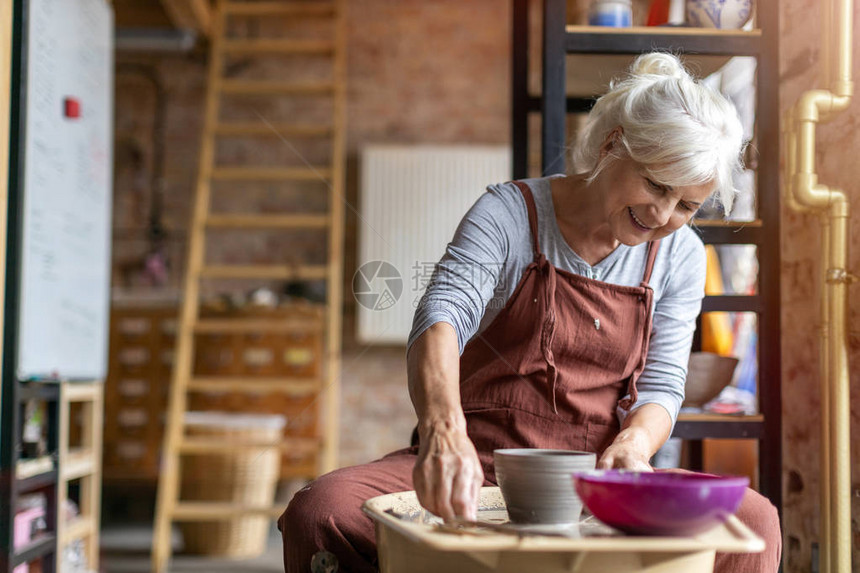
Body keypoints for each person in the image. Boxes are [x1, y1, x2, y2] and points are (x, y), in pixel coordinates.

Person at [279, 52, 781, 573]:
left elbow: (662, 385)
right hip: (477, 463)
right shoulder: (508, 213)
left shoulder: (681, 256)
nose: (662, 215)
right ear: (613, 145)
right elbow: (441, 314)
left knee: (754, 523)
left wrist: (634, 445)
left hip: (597, 482)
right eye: (656, 185)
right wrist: (443, 433)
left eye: (687, 205)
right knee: (321, 512)